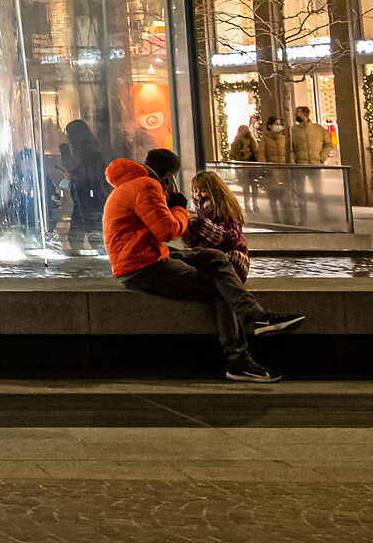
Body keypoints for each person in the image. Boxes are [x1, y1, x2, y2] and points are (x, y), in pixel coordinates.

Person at [104, 153, 303, 382]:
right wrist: (179, 208)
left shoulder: (131, 184)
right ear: (169, 177)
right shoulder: (147, 185)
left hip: (142, 256)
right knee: (219, 288)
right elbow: (167, 231)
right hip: (143, 266)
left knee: (214, 257)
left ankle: (258, 317)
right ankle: (239, 361)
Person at [185, 170, 252, 282]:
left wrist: (201, 223)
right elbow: (193, 243)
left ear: (214, 191)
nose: (197, 195)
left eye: (203, 191)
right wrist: (185, 228)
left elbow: (230, 240)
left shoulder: (226, 209)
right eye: (194, 191)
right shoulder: (196, 210)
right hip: (209, 261)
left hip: (233, 262)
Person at [60, 120, 108, 252]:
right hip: (92, 189)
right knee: (91, 221)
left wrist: (64, 149)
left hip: (84, 189)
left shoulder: (80, 147)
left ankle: (85, 247)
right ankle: (97, 247)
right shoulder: (93, 148)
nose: (67, 136)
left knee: (82, 221)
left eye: (68, 133)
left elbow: (72, 165)